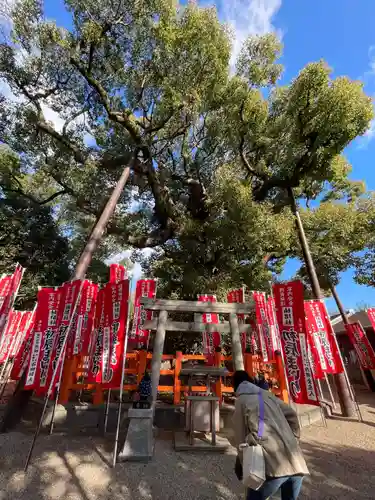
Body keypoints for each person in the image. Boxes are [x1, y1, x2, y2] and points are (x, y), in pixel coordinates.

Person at [233, 371, 309, 500]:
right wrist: (293, 439)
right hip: (296, 463)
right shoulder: (268, 395)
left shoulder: (242, 401)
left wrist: (242, 464)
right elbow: (292, 415)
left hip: (273, 467)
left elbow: (240, 438)